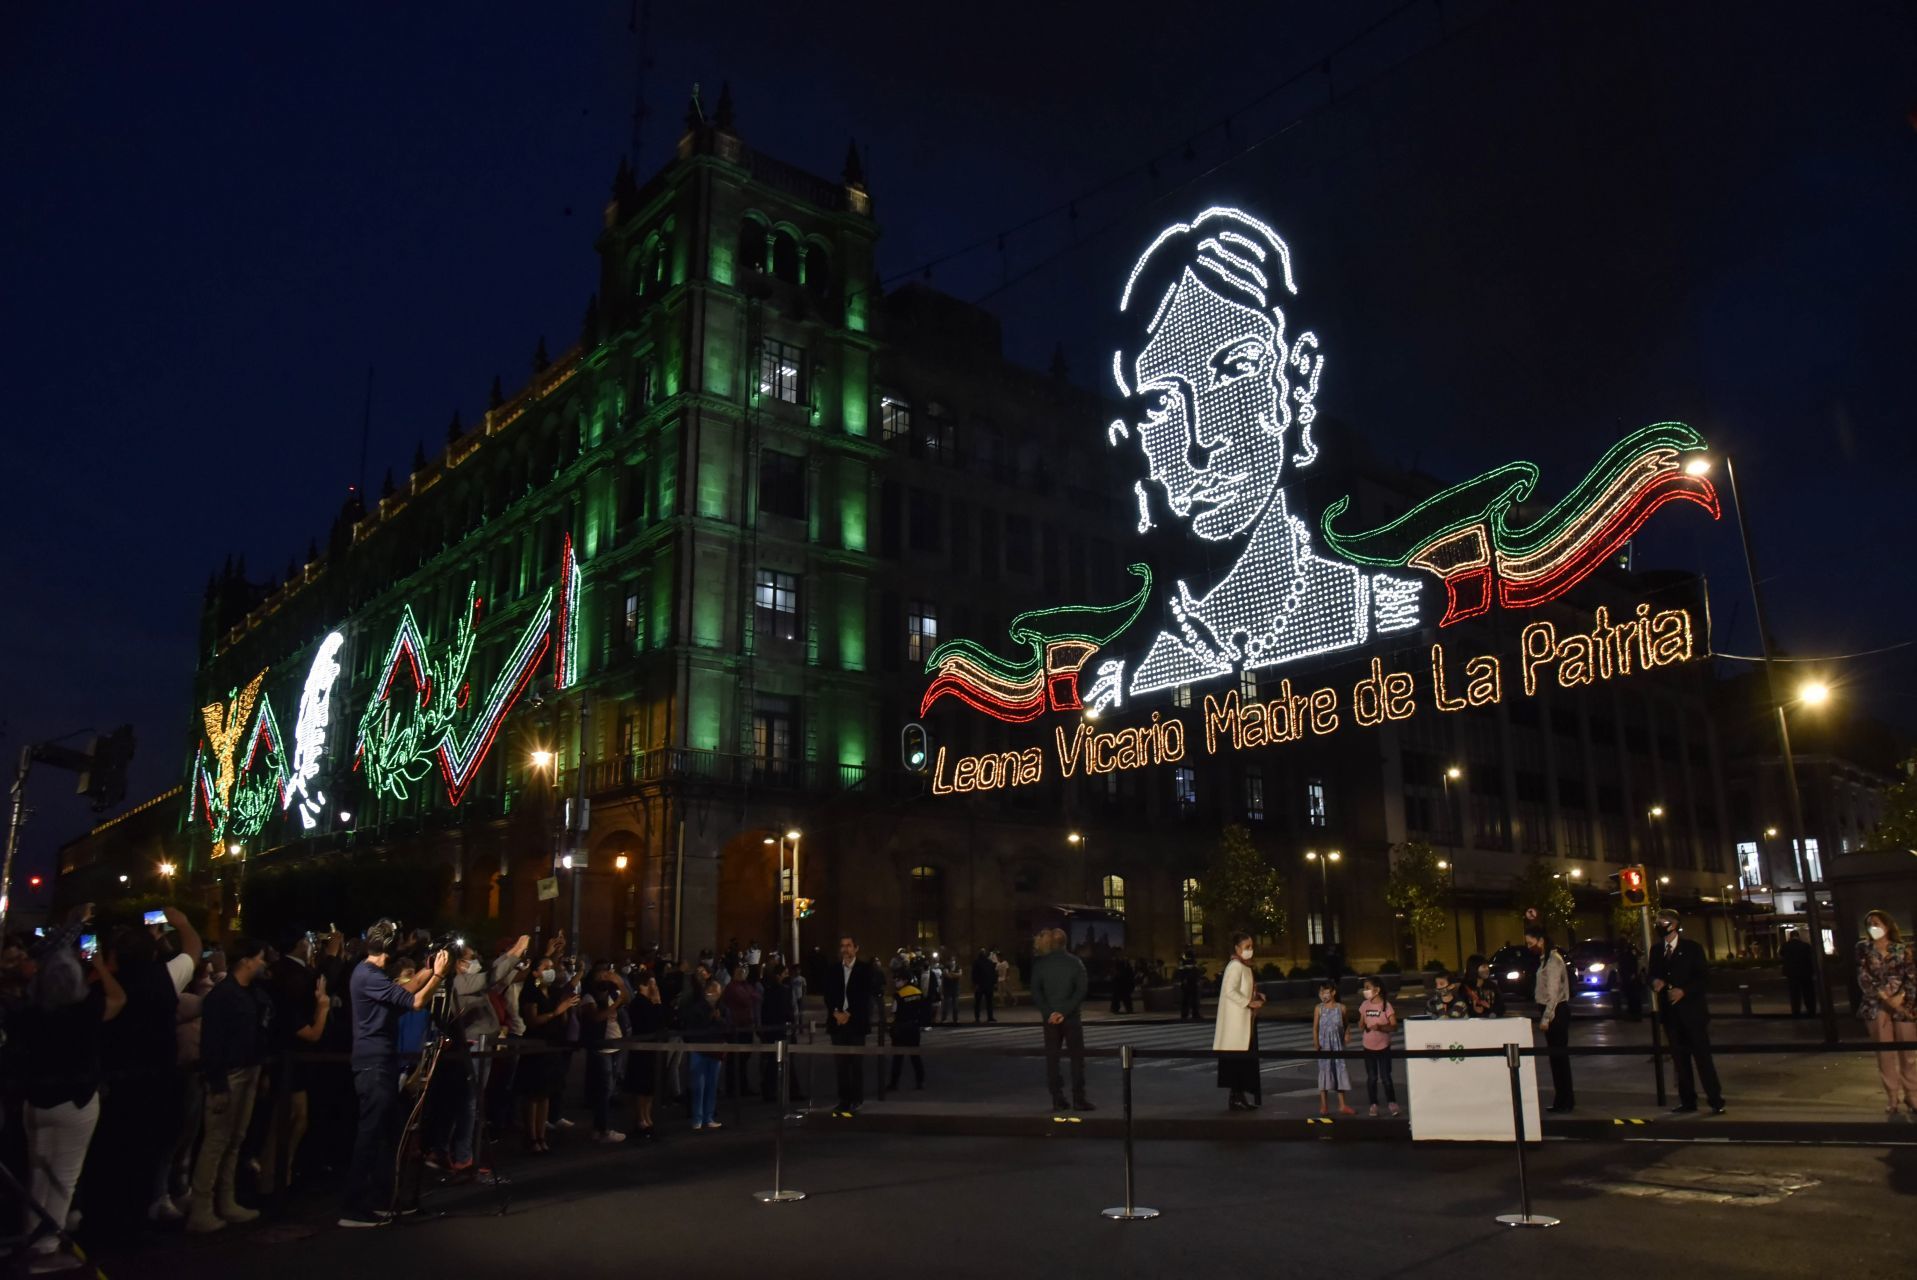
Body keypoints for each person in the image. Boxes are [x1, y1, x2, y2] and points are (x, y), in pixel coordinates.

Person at [23, 908, 125, 1271]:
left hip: (36, 1099)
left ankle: (34, 1231)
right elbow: (117, 998)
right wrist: (99, 966)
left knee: (38, 1168)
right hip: (76, 1098)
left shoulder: (31, 1011)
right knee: (65, 1173)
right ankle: (48, 1245)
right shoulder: (86, 1010)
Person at [339, 920, 449, 1228]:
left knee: (389, 1135)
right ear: (389, 948)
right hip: (373, 1064)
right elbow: (415, 1000)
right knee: (370, 1135)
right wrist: (439, 975)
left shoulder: (371, 974)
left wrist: (428, 969)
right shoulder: (367, 976)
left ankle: (382, 1199)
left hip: (381, 1062)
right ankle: (353, 1208)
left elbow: (407, 989)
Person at [187, 936, 271, 1233]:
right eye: (260, 957)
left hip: (248, 1070)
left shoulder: (250, 993)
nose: (263, 963)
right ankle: (202, 1208)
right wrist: (218, 1084)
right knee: (216, 1142)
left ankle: (226, 1200)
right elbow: (212, 1044)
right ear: (247, 960)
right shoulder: (223, 997)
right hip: (230, 1074)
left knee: (234, 1140)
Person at [1647, 910, 1724, 1115]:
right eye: (1657, 922)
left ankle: (1715, 1099)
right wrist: (1654, 981)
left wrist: (1684, 991)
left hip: (1693, 1013)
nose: (1658, 925)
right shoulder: (1656, 950)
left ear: (1674, 924)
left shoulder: (1692, 948)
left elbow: (1703, 977)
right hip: (1671, 1015)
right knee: (1680, 1061)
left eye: (1662, 922)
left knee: (1702, 1058)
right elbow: (1650, 974)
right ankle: (1688, 1100)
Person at [1853, 909, 1916, 1118]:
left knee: (1908, 1054)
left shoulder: (1902, 949)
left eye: (1877, 923)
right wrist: (1886, 998)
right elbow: (1864, 978)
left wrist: (1902, 998)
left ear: (1887, 925)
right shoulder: (1863, 949)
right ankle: (1892, 1096)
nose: (1873, 927)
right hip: (1875, 1006)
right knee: (1885, 1054)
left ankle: (1912, 1094)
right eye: (1869, 923)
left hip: (1904, 1007)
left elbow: (1911, 976)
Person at [514, 951, 578, 1154]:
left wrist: (566, 1008)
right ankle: (530, 1136)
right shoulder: (530, 993)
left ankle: (541, 1134)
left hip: (552, 1044)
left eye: (552, 967)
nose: (550, 971)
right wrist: (555, 1012)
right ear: (534, 972)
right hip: (535, 1044)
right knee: (533, 1093)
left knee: (545, 1094)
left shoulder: (554, 992)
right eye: (545, 968)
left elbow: (564, 1020)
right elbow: (532, 1020)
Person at [1032, 928, 1094, 1112]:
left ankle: (1057, 1098)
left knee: (1052, 1059)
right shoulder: (1075, 963)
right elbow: (1081, 990)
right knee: (1076, 1059)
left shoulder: (1040, 964)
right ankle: (1079, 1098)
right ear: (1065, 943)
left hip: (1050, 1020)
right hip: (1072, 1018)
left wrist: (1049, 1013)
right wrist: (1064, 1012)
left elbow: (1036, 992)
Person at [821, 935, 877, 1117]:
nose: (845, 949)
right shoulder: (833, 970)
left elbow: (864, 995)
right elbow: (828, 993)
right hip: (837, 1022)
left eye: (849, 946)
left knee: (856, 1064)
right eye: (843, 946)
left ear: (856, 948)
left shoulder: (865, 969)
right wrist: (836, 1012)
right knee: (841, 1065)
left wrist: (849, 1013)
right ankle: (843, 1100)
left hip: (856, 1022)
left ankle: (856, 1098)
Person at [1212, 932, 1265, 1111]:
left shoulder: (1244, 966)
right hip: (1236, 1024)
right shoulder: (1235, 966)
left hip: (1243, 1022)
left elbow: (1241, 989)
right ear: (1237, 948)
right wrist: (1248, 1001)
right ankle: (1236, 1097)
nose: (1250, 950)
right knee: (1237, 1061)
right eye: (1247, 947)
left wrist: (1256, 996)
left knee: (1242, 1061)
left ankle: (1238, 1097)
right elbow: (1229, 990)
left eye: (1251, 947)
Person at [1527, 923, 1574, 1113]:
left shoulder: (1553, 961)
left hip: (1556, 1012)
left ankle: (1565, 1101)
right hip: (1553, 1010)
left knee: (1559, 1058)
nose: (1530, 947)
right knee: (1556, 1059)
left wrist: (1546, 1017)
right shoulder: (1545, 959)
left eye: (1531, 943)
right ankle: (1562, 1100)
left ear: (1541, 940)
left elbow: (1553, 993)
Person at [580, 957, 628, 1144]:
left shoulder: (611, 993)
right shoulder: (589, 998)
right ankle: (602, 1128)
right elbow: (596, 1018)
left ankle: (600, 1127)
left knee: (610, 1087)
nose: (605, 978)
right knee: (604, 1089)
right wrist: (614, 1005)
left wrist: (620, 983)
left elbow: (627, 998)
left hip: (616, 1045)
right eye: (601, 975)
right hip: (601, 1047)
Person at [623, 969, 669, 1136]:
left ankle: (647, 1116)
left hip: (651, 1049)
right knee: (642, 1086)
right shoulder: (639, 1003)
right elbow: (653, 1023)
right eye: (652, 984)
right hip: (642, 1050)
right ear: (643, 985)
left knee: (650, 1087)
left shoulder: (648, 1002)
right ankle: (641, 1118)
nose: (655, 987)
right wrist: (657, 1003)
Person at [681, 979, 727, 1131]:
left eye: (718, 991)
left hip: (715, 1050)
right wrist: (712, 1018)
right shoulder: (697, 1008)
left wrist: (719, 1019)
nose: (716, 995)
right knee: (698, 1086)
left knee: (712, 1085)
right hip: (700, 1049)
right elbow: (694, 1028)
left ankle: (709, 1116)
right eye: (713, 991)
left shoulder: (721, 1007)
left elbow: (728, 1025)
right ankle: (697, 1118)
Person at [1358, 977, 1400, 1117]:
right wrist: (1362, 1025)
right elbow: (1361, 1023)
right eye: (1364, 988)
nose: (1365, 991)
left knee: (1386, 1077)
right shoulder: (1364, 1005)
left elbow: (1394, 1026)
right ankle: (1373, 1104)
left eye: (1368, 988)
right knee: (1372, 1077)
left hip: (1383, 1046)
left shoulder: (1386, 1006)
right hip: (1368, 1046)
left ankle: (1392, 1103)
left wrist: (1381, 1027)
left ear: (1377, 990)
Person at [1312, 981, 1355, 1115]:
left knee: (1339, 1071)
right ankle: (1324, 1105)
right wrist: (1316, 1043)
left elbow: (1346, 1024)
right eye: (1321, 992)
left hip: (1337, 1045)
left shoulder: (1341, 1008)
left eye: (1326, 992)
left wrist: (1347, 1034)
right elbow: (1315, 1027)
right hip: (1324, 1044)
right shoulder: (1318, 1008)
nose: (1323, 995)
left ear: (1333, 993)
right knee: (1324, 1071)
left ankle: (1342, 1105)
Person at [888, 971, 928, 1090]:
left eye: (898, 980)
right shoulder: (918, 992)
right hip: (914, 1027)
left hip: (901, 1028)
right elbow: (923, 1009)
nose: (896, 982)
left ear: (905, 980)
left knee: (898, 1058)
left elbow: (894, 1012)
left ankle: (894, 1084)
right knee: (915, 1056)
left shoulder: (899, 995)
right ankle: (920, 1081)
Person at [1781, 928, 1818, 1019]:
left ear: (1790, 937)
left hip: (1792, 973)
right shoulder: (1805, 946)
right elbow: (1810, 958)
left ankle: (1796, 1011)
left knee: (1794, 994)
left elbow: (1782, 955)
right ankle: (1811, 1010)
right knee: (1808, 992)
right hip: (1805, 972)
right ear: (1798, 936)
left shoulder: (1785, 946)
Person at [1462, 954, 1504, 1019]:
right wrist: (1473, 1010)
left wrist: (1491, 1009)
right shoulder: (1464, 987)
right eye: (1484, 967)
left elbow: (1501, 1006)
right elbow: (1460, 1007)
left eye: (1487, 967)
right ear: (1474, 968)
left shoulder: (1492, 986)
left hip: (1490, 1022)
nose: (1487, 969)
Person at [971, 948, 998, 1023]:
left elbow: (974, 974)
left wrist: (975, 984)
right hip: (988, 985)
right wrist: (994, 983)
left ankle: (978, 1018)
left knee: (978, 1002)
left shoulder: (976, 962)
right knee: (988, 1002)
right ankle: (990, 1017)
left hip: (980, 985)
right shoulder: (989, 962)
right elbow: (994, 974)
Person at [1176, 951, 1202, 1021]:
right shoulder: (1193, 962)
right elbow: (1197, 972)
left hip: (1186, 983)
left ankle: (1185, 1014)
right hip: (1192, 983)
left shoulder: (1183, 962)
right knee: (1193, 1000)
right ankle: (1195, 1014)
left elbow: (1180, 972)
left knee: (1186, 1000)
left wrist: (1181, 981)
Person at [940, 954, 961, 1025]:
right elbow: (947, 975)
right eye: (951, 960)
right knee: (946, 1004)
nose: (952, 962)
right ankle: (944, 1019)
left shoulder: (958, 966)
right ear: (948, 961)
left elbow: (960, 974)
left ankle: (956, 1019)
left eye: (953, 960)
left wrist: (951, 974)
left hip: (955, 988)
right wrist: (954, 974)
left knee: (955, 1005)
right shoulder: (946, 967)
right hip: (947, 988)